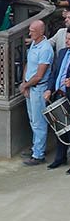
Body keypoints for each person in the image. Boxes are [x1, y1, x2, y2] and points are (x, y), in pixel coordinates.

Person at [21, 19, 53, 165]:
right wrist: (24, 83)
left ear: (41, 32)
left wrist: (26, 85)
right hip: (30, 87)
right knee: (32, 120)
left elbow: (40, 75)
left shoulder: (46, 49)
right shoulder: (35, 43)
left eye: (32, 32)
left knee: (39, 122)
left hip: (38, 88)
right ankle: (36, 148)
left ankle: (38, 154)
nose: (30, 34)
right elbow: (28, 63)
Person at [43, 31, 70, 171]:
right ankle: (60, 158)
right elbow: (54, 73)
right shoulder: (62, 52)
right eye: (66, 39)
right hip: (59, 95)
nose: (67, 41)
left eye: (69, 39)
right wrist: (49, 89)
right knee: (60, 128)